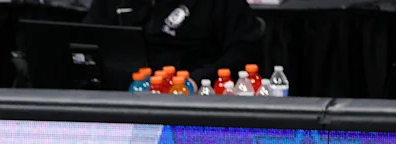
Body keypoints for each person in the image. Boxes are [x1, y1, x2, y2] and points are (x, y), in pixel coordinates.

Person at [84, 0, 263, 85]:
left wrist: (199, 79)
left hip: (194, 96)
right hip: (124, 95)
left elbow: (244, 50)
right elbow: (86, 39)